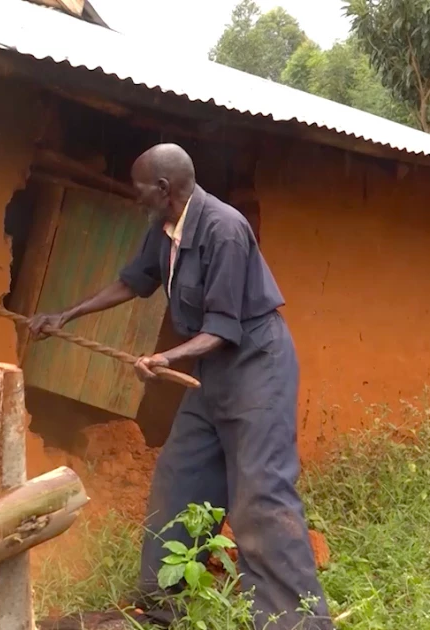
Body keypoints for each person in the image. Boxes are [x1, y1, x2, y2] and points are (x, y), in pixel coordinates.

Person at [28, 144, 331, 630]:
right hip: (211, 373)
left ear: (164, 188)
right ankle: (161, 608)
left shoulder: (224, 229)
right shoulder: (164, 228)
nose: (135, 197)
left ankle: (295, 623)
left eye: (140, 189)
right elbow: (133, 282)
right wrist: (67, 314)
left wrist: (166, 357)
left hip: (256, 367)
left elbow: (224, 328)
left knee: (260, 495)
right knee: (180, 479)